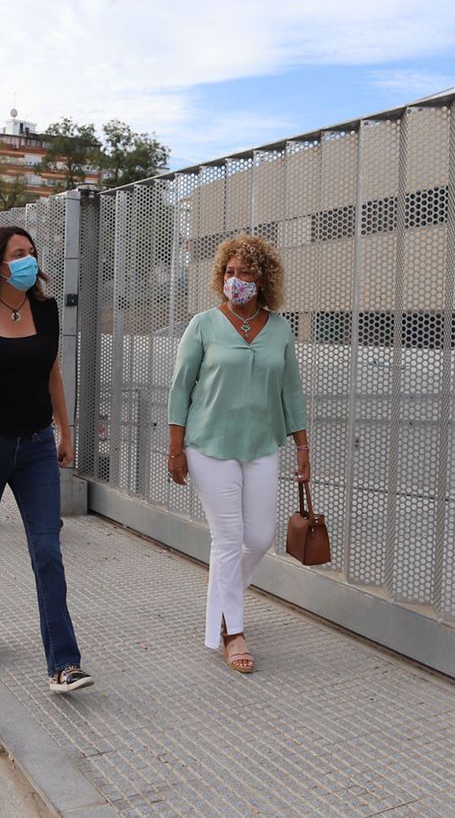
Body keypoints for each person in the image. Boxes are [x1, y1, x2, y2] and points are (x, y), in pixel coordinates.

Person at [0, 225, 90, 694]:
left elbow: (53, 376)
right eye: (18, 253)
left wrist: (66, 431)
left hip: (37, 446)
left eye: (31, 252)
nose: (28, 260)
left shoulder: (45, 310)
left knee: (47, 549)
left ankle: (64, 664)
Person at [166, 233, 310, 674]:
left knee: (261, 537)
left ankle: (222, 596)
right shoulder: (204, 324)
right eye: (229, 272)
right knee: (228, 540)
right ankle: (233, 631)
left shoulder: (280, 328)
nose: (235, 280)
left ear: (263, 278)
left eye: (245, 272)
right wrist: (175, 449)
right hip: (209, 445)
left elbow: (291, 391)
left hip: (262, 444)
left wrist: (303, 445)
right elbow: (180, 387)